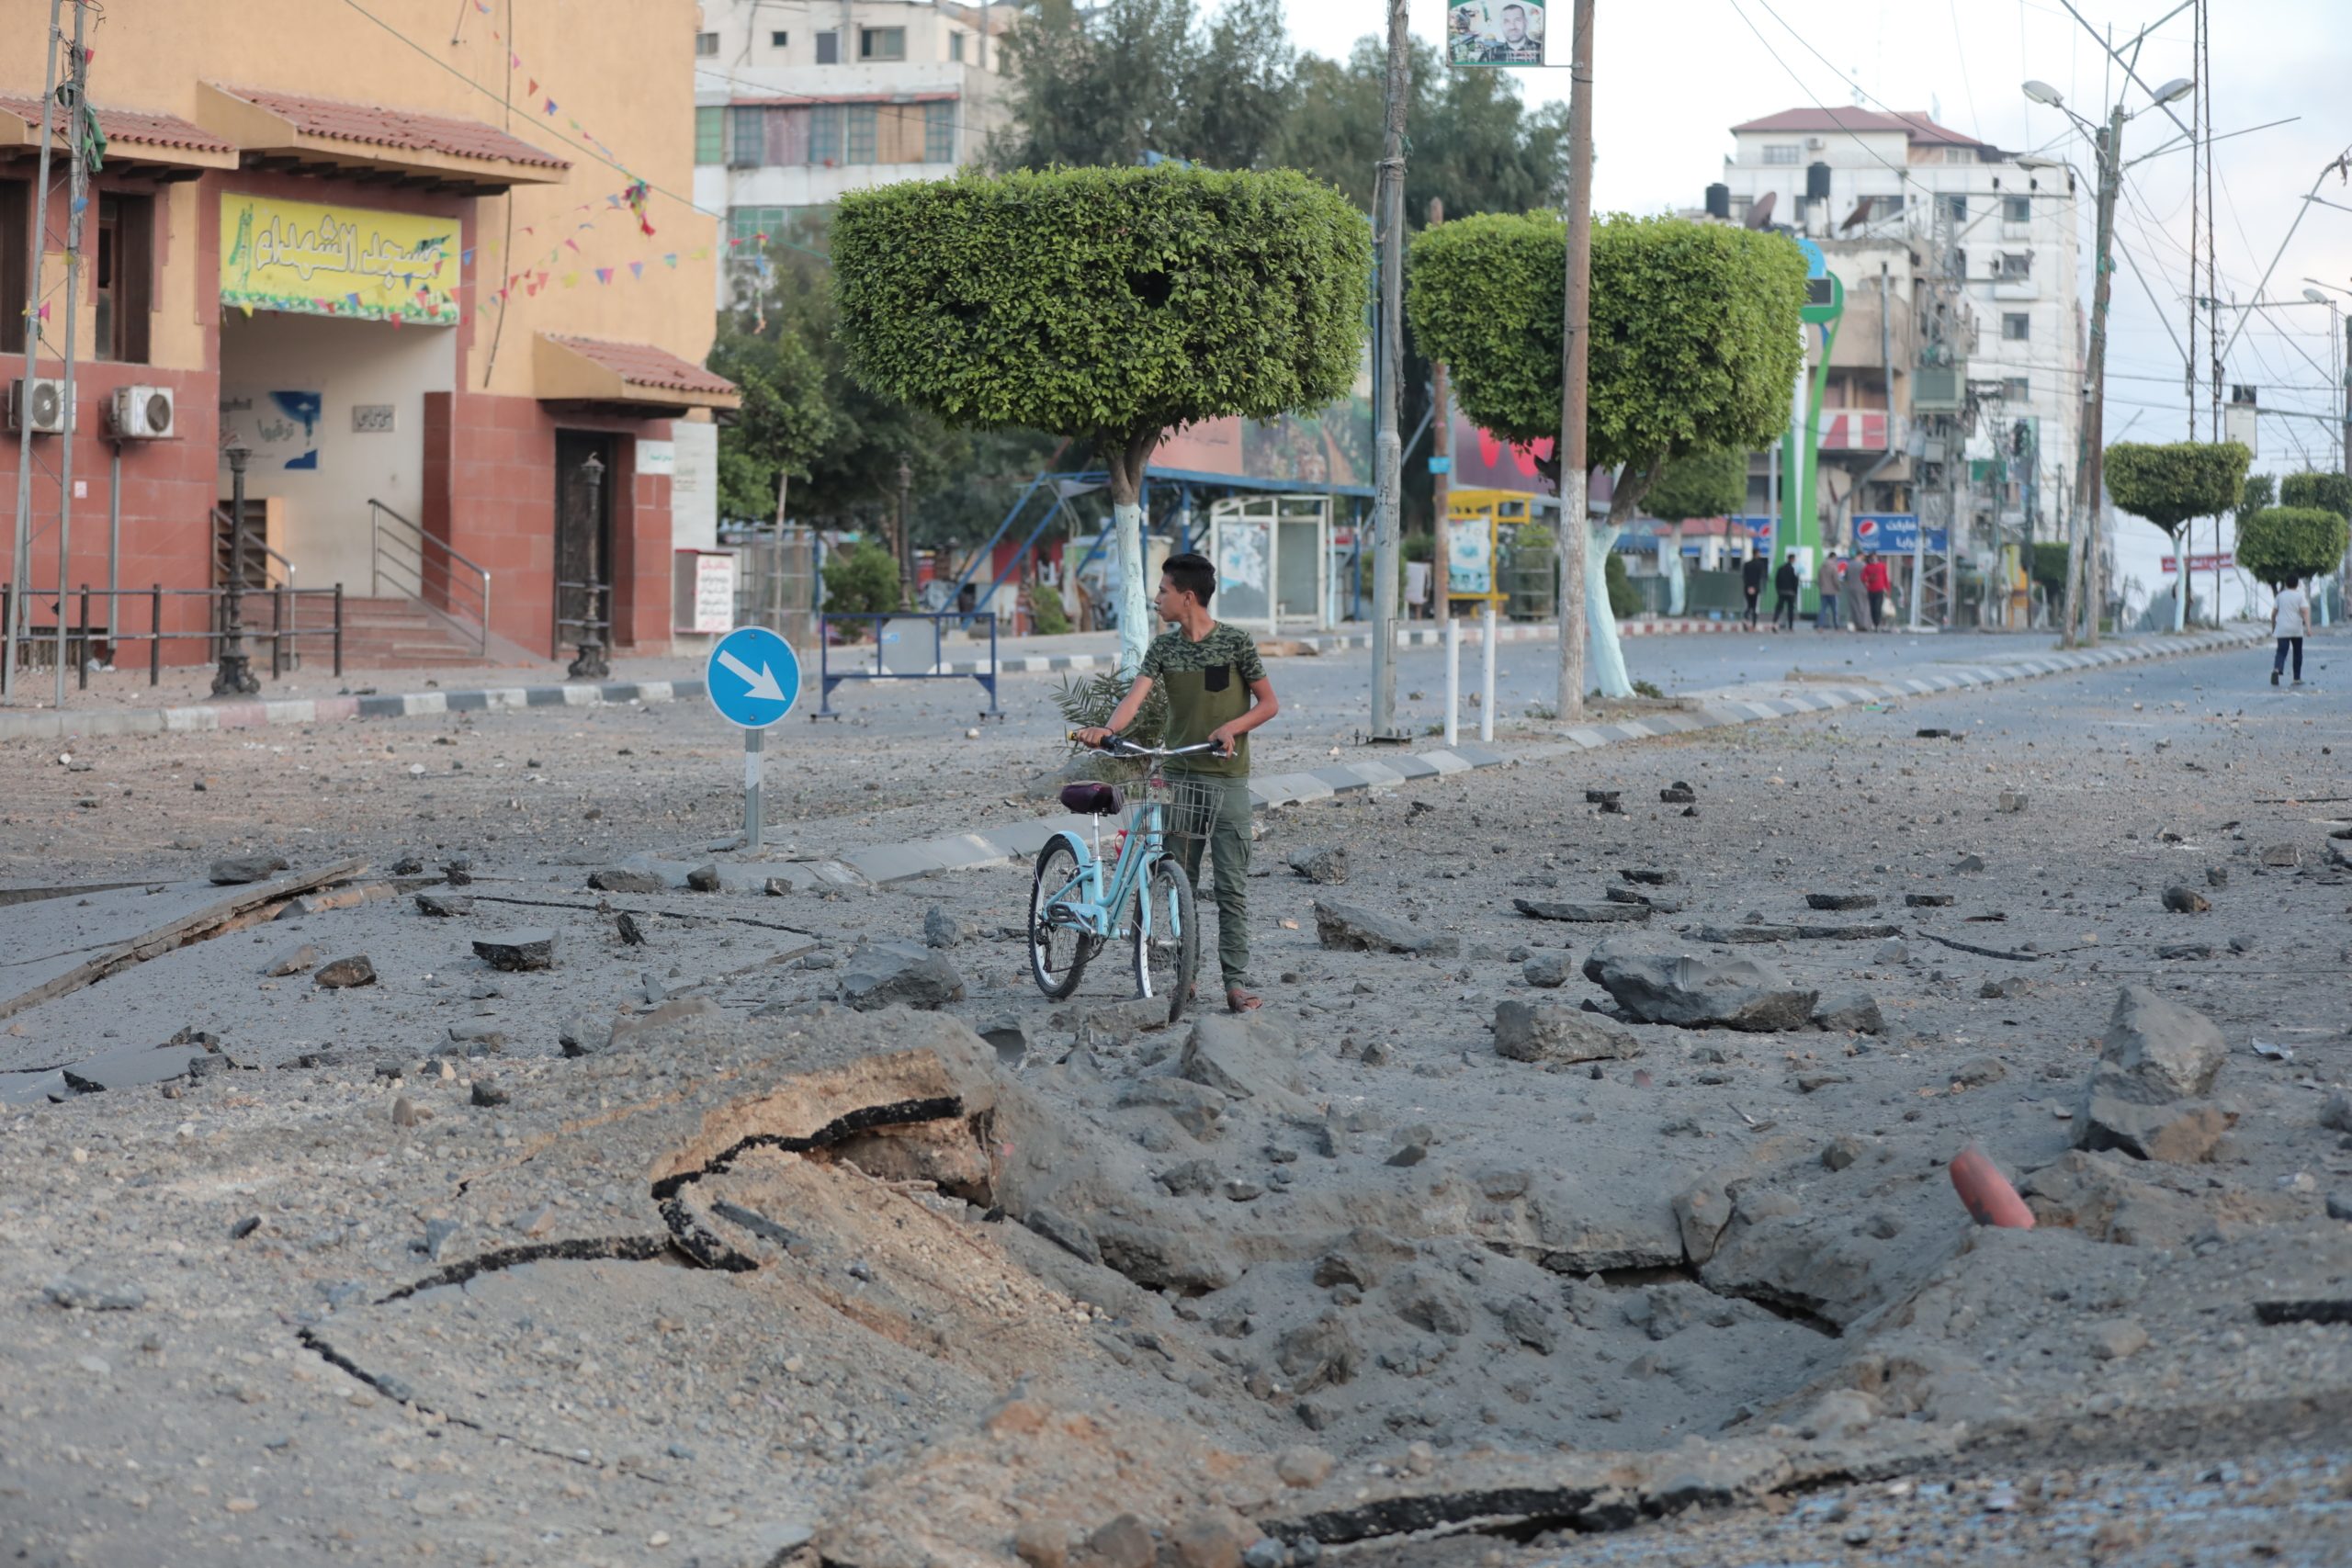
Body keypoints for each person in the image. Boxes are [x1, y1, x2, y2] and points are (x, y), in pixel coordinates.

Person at [1077, 553, 1279, 1013]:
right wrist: (1108, 731)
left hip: (1227, 782)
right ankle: (1185, 977)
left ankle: (1234, 982)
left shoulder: (1235, 643)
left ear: (1187, 597)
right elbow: (1135, 696)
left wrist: (1233, 727)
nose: (1157, 598)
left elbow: (1268, 704)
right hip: (1180, 778)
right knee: (1178, 883)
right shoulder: (1165, 648)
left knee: (1231, 886)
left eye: (1163, 591)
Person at [2272, 579, 2310, 686]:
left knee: (2281, 652)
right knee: (2297, 653)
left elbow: (2273, 614)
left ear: (2285, 584)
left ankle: (2276, 669)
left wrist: (2273, 627)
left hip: (2282, 628)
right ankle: (2296, 678)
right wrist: (2308, 628)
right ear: (2297, 584)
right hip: (2296, 629)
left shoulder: (2280, 596)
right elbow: (2305, 612)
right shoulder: (2300, 596)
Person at [1861, 554, 1892, 630]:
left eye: (1875, 558)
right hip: (1871, 590)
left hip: (1879, 589)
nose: (1874, 560)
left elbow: (1885, 578)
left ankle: (1877, 623)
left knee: (1877, 607)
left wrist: (1888, 589)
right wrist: (1868, 579)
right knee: (1872, 608)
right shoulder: (1867, 567)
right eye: (1872, 558)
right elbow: (1863, 577)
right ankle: (1875, 623)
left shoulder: (1882, 566)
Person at [1816, 550, 1845, 631]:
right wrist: (1839, 588)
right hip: (1833, 592)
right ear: (1833, 557)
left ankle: (1820, 626)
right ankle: (1836, 626)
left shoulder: (1821, 567)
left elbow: (1819, 579)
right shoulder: (1834, 567)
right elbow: (1836, 580)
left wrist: (1821, 587)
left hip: (1823, 591)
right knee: (1835, 610)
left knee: (1822, 610)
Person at [1772, 554, 1801, 631]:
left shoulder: (1780, 568)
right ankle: (1790, 626)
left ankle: (1774, 622)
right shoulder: (1792, 569)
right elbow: (1795, 582)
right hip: (1790, 592)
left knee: (1779, 608)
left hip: (1781, 592)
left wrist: (1778, 590)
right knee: (1790, 610)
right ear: (1792, 559)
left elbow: (1777, 580)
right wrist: (1795, 591)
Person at [1740, 551, 1767, 630]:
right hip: (1756, 587)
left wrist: (1748, 586)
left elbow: (1744, 576)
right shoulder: (1760, 564)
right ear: (1757, 554)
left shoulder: (1747, 564)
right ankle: (1754, 624)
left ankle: (1745, 619)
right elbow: (1762, 576)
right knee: (1755, 606)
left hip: (1747, 587)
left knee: (1749, 605)